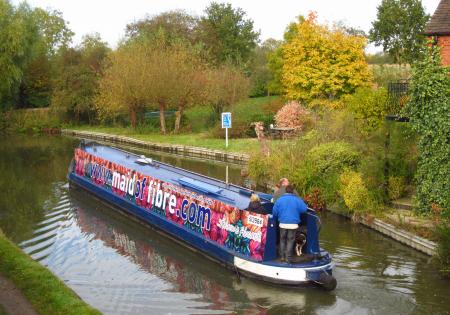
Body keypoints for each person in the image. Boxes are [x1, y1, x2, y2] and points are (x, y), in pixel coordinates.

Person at [272, 185, 307, 262]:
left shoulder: (280, 200)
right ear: (293, 191)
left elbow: (274, 212)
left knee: (282, 239)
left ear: (286, 191)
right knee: (290, 240)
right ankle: (288, 258)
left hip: (283, 223)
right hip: (293, 225)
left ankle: (282, 256)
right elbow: (304, 209)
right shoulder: (298, 200)